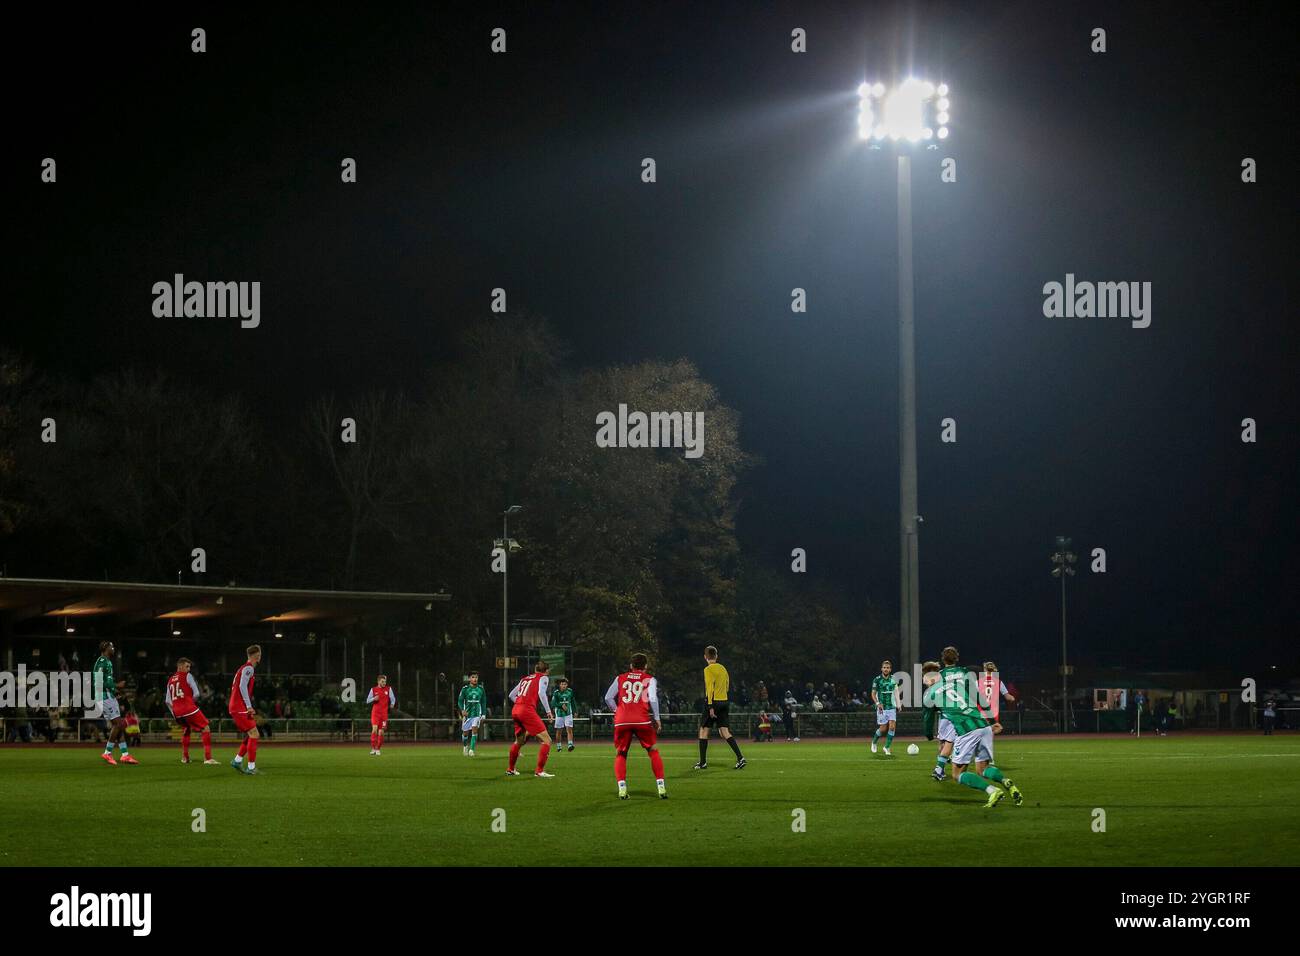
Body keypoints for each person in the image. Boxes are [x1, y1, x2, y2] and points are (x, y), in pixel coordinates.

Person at [921, 648, 1023, 809]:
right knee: (983, 769)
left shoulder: (929, 693)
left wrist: (928, 735)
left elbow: (927, 718)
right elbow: (978, 698)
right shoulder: (958, 685)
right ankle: (1006, 782)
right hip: (983, 725)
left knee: (957, 774)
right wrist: (991, 720)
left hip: (966, 730)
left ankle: (992, 791)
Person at [603, 652, 667, 800]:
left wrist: (617, 710)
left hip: (622, 720)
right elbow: (652, 698)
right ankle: (661, 787)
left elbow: (608, 697)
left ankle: (622, 789)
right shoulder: (649, 679)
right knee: (653, 750)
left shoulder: (620, 678)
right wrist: (657, 718)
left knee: (621, 753)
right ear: (645, 666)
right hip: (641, 719)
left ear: (631, 666)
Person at [695, 645, 745, 770]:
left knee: (703, 731)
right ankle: (740, 758)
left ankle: (702, 762)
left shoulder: (708, 669)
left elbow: (709, 688)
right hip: (724, 701)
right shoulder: (723, 668)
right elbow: (727, 685)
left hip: (713, 702)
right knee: (724, 732)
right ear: (716, 656)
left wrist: (710, 706)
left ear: (705, 657)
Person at [505, 661, 555, 778]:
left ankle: (510, 769)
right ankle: (539, 771)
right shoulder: (543, 678)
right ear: (546, 671)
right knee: (547, 741)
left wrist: (520, 703)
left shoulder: (525, 679)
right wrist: (548, 711)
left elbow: (511, 695)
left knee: (520, 741)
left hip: (516, 709)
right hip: (526, 710)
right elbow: (541, 693)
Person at [93, 641, 137, 765]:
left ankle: (125, 755)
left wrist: (116, 691)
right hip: (104, 696)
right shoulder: (102, 661)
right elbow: (98, 681)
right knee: (118, 724)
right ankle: (107, 752)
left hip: (109, 695)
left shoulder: (107, 662)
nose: (113, 648)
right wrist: (117, 685)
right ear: (105, 648)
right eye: (111, 647)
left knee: (119, 725)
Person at [167, 657, 216, 764]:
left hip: (176, 712)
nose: (189, 669)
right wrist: (190, 702)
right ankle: (208, 758)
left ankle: (185, 758)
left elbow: (167, 701)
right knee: (206, 727)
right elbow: (197, 693)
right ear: (180, 666)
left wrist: (174, 713)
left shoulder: (170, 680)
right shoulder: (188, 676)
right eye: (187, 666)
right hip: (188, 708)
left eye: (189, 667)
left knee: (187, 729)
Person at [229, 644, 263, 775]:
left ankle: (237, 761)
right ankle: (251, 767)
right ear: (257, 656)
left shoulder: (242, 668)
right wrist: (249, 706)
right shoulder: (249, 668)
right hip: (239, 706)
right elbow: (242, 686)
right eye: (260, 654)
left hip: (237, 705)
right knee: (254, 734)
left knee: (251, 735)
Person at [870, 659, 902, 755]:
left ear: (890, 669)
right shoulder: (877, 679)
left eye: (887, 668)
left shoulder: (893, 680)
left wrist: (899, 704)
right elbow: (873, 693)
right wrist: (877, 703)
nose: (886, 669)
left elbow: (896, 692)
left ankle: (887, 747)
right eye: (884, 667)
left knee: (892, 727)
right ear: (881, 669)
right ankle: (874, 742)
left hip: (891, 706)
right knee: (883, 728)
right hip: (881, 707)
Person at [458, 671, 488, 755]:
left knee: (474, 730)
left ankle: (471, 750)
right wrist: (462, 710)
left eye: (476, 677)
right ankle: (465, 746)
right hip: (467, 714)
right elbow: (460, 701)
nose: (475, 679)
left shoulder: (481, 689)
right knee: (465, 733)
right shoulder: (465, 689)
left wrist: (484, 714)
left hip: (476, 714)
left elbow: (483, 702)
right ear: (469, 678)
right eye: (473, 677)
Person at [366, 674, 396, 755]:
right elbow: (367, 700)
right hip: (375, 713)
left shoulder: (388, 689)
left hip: (384, 714)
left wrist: (392, 704)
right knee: (374, 729)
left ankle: (378, 749)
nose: (384, 683)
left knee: (381, 732)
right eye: (382, 681)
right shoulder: (373, 689)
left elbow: (393, 698)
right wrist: (373, 699)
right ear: (378, 681)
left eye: (385, 681)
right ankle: (373, 748)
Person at [551, 677, 577, 752]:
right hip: (559, 714)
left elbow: (573, 701)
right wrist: (561, 705)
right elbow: (553, 703)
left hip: (568, 713)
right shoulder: (556, 692)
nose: (564, 685)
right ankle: (559, 746)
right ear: (560, 685)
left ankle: (570, 745)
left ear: (567, 685)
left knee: (569, 729)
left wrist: (575, 711)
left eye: (565, 684)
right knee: (559, 731)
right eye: (562, 684)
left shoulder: (570, 691)